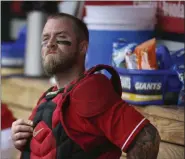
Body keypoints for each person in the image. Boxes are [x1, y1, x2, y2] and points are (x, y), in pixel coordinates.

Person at [11, 13, 160, 159]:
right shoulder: (47, 97)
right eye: (45, 39)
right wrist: (20, 136)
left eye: (61, 38)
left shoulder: (90, 90)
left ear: (82, 48)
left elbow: (146, 138)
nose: (50, 43)